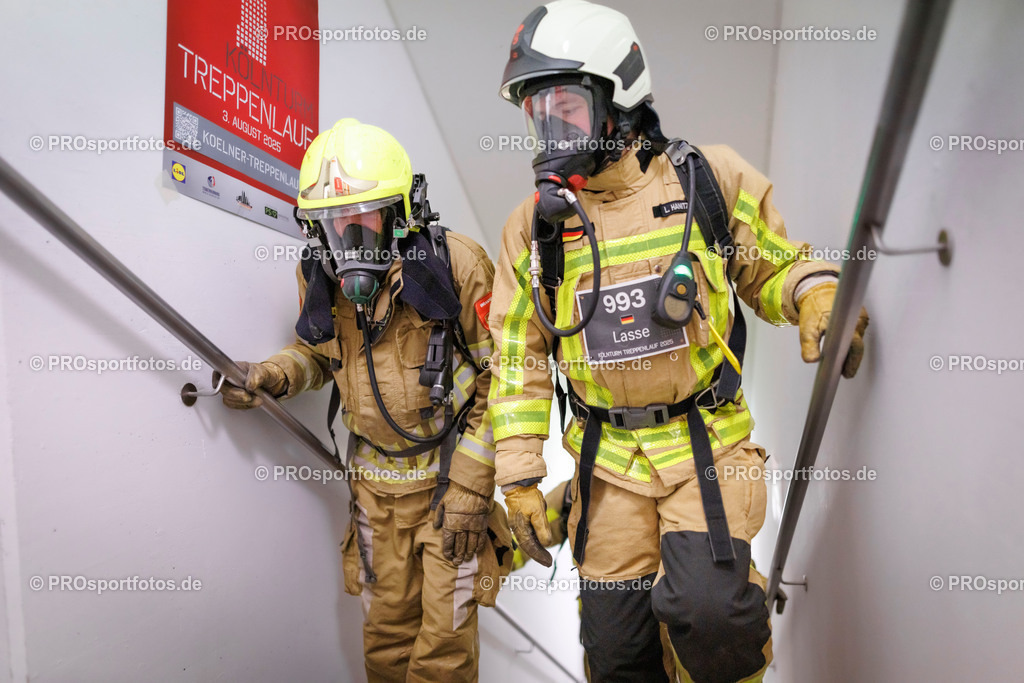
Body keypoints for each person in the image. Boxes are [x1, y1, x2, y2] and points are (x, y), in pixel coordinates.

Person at [488, 3, 870, 682]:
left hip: (706, 446)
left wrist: (817, 294)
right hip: (606, 470)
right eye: (535, 112)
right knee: (615, 652)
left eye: (565, 108)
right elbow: (518, 359)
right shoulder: (534, 228)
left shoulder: (704, 180)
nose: (549, 130)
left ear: (619, 95)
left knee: (715, 617)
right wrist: (518, 478)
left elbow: (778, 261)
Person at [221, 118, 511, 682]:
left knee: (443, 655)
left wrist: (474, 487)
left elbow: (506, 380)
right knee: (383, 646)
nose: (348, 239)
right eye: (333, 225)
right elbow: (319, 355)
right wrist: (274, 375)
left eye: (362, 219)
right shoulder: (320, 278)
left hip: (449, 494)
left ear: (400, 214)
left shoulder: (457, 266)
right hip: (374, 502)